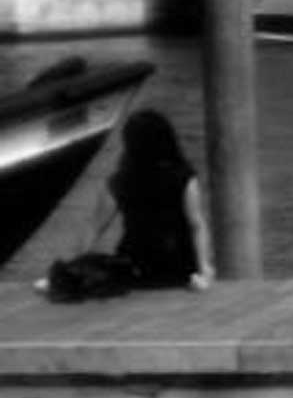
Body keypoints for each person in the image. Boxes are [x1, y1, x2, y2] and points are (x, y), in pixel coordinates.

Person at [72, 108, 216, 292]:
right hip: (179, 268)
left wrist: (76, 266)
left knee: (99, 265)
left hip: (135, 267)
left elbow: (94, 226)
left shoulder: (121, 180)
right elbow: (196, 225)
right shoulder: (184, 178)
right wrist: (204, 266)